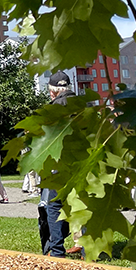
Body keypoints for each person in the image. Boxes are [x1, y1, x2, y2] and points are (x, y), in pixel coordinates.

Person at [39, 71, 75, 257]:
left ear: (52, 91)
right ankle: (88, 251)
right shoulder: (83, 104)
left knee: (54, 205)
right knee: (82, 204)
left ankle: (57, 250)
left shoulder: (52, 109)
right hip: (81, 162)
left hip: (59, 163)